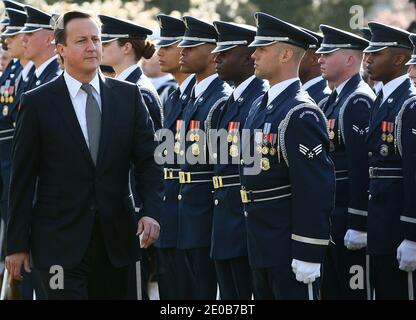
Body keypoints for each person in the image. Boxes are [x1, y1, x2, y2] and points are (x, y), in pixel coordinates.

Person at [5, 10, 163, 300]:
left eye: (96, 39)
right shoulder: (38, 103)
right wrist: (15, 245)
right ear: (61, 49)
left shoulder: (128, 97)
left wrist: (152, 211)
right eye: (81, 41)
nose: (92, 47)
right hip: (57, 245)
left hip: (116, 243)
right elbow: (22, 179)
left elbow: (149, 161)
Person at [240, 12, 335, 300]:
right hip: (260, 240)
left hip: (288, 245)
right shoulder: (260, 104)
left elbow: (315, 188)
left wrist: (308, 250)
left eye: (262, 48)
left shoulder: (300, 112)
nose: (253, 54)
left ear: (284, 54)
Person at [316, 24, 375, 300]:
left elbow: (361, 169)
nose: (319, 58)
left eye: (328, 53)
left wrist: (358, 223)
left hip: (347, 222)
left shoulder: (357, 101)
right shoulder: (333, 101)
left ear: (350, 59)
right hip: (332, 219)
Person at [210, 20, 267, 300]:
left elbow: (255, 166)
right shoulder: (231, 101)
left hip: (243, 218)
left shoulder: (259, 100)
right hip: (224, 215)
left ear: (247, 56)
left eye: (224, 53)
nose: (216, 58)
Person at [176, 16, 232, 299]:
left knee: (206, 291)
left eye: (191, 47)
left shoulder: (220, 99)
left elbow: (221, 166)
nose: (182, 52)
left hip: (207, 209)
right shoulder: (196, 96)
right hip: (189, 207)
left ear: (212, 53)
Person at [364, 21, 416, 299]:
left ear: (399, 59)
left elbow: (413, 173)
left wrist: (412, 234)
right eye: (368, 52)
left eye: (377, 53)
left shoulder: (409, 103)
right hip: (380, 219)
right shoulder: (382, 98)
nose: (368, 58)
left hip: (397, 221)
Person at [153, 14, 195, 300]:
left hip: (192, 216)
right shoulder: (173, 96)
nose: (159, 52)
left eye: (168, 46)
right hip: (169, 211)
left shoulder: (206, 98)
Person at [99, 15, 163, 131]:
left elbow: (151, 143)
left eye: (106, 44)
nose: (100, 48)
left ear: (126, 47)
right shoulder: (121, 84)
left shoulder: (141, 91)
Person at [20, 5, 60, 91]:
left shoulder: (56, 78)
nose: (23, 39)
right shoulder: (35, 74)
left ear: (49, 39)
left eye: (30, 34)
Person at [299, 27, 331, 109]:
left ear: (314, 59)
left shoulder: (324, 99)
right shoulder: (301, 92)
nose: (292, 60)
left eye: (298, 55)